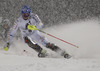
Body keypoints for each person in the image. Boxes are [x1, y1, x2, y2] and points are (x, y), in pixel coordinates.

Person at [4, 5, 71, 58]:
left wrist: (35, 27)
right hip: (26, 35)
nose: (26, 16)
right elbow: (12, 32)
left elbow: (40, 24)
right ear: (22, 14)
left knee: (47, 44)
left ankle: (62, 52)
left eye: (27, 14)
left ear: (29, 13)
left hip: (35, 33)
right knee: (27, 41)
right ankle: (41, 51)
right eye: (24, 14)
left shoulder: (34, 16)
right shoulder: (18, 21)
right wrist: (8, 43)